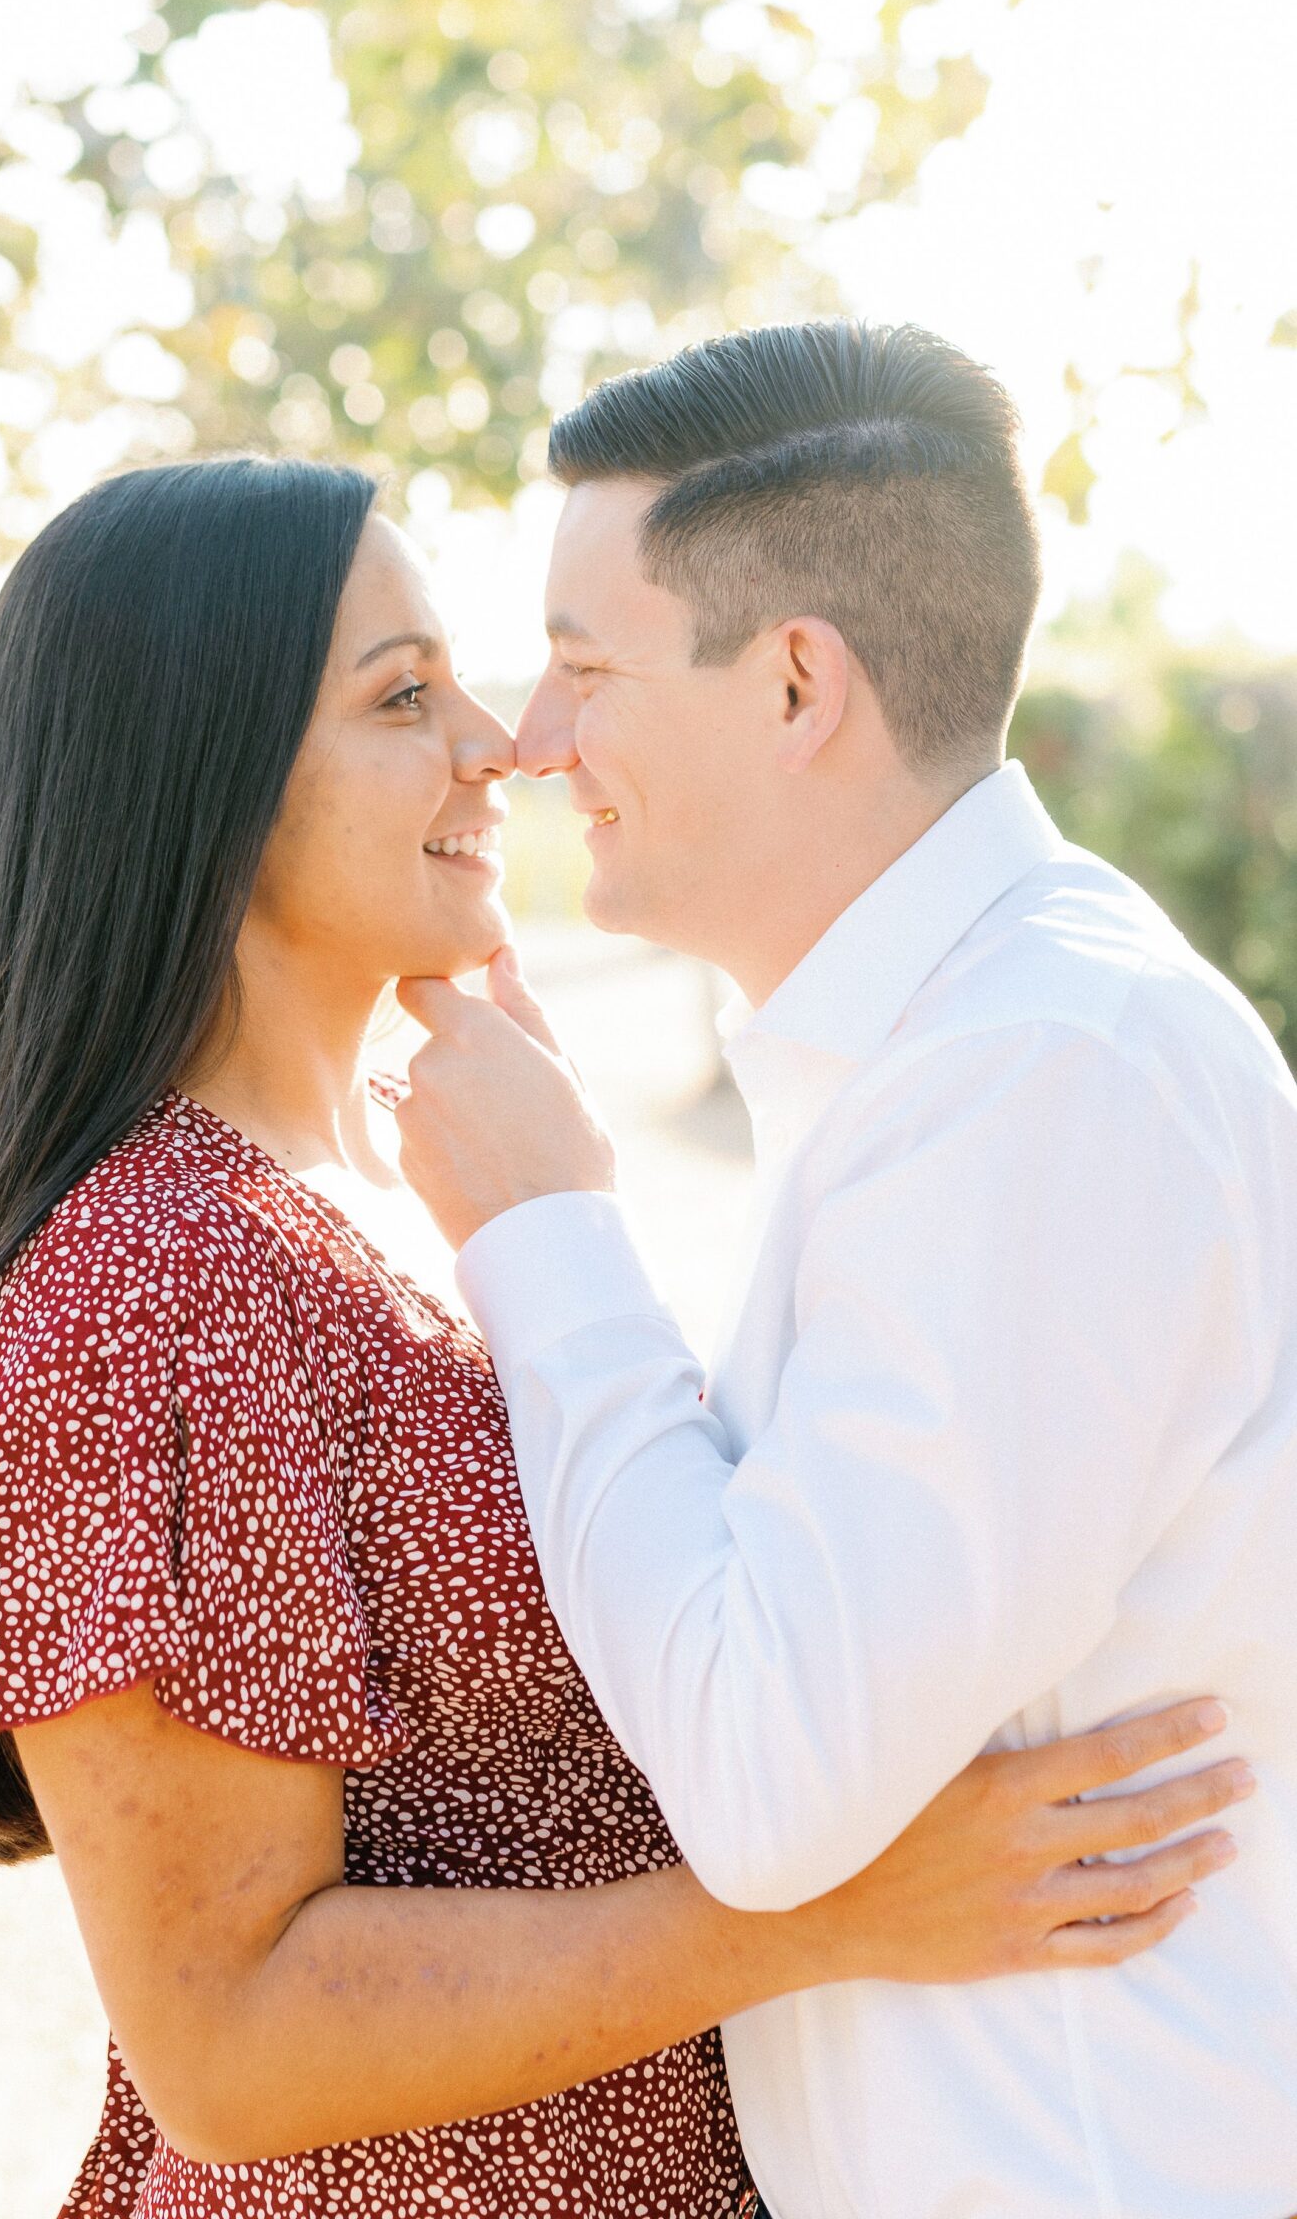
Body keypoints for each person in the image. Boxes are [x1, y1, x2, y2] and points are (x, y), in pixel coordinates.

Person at [0, 456, 1242, 2219]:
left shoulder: (410, 1180)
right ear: (199, 779)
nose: (500, 746)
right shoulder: (151, 1279)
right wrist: (835, 1913)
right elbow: (222, 2040)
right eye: (403, 696)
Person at [393, 320, 1297, 2219]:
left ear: (799, 680)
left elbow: (767, 1776)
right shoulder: (972, 1051)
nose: (535, 744)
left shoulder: (1037, 1076)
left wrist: (548, 1238)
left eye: (583, 665)